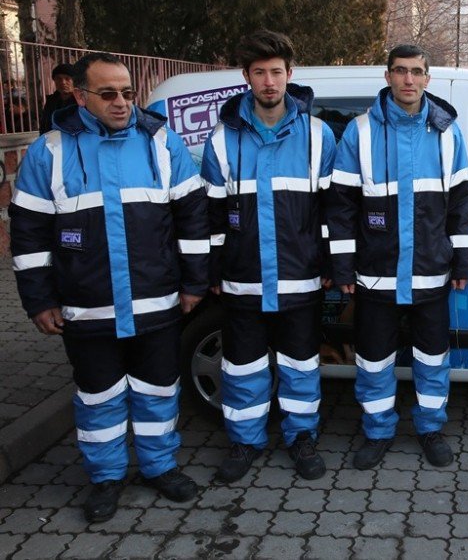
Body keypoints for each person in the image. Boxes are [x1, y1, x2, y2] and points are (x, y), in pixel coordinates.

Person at [9, 52, 209, 522]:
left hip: (156, 303)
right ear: (80, 96)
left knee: (158, 391)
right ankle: (106, 478)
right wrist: (38, 300)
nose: (122, 103)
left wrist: (195, 282)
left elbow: (192, 218)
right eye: (108, 94)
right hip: (87, 308)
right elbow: (29, 232)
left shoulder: (161, 143)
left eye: (127, 92)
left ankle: (159, 467)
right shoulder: (50, 151)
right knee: (99, 396)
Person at [330, 44, 468, 470]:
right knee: (374, 361)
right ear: (388, 76)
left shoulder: (448, 133)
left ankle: (430, 430)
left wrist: (463, 262)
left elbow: (461, 204)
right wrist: (342, 266)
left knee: (432, 359)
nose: (408, 79)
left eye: (416, 72)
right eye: (400, 71)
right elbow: (340, 207)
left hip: (431, 275)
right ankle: (378, 431)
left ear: (428, 78)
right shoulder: (359, 132)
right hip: (376, 277)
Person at [201, 30, 337, 483]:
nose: (268, 81)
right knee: (243, 368)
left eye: (276, 71)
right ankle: (244, 442)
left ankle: (302, 438)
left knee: (301, 366)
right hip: (243, 280)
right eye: (259, 73)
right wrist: (213, 271)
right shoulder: (223, 140)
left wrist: (330, 265)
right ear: (246, 78)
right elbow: (212, 214)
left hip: (301, 280)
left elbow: (332, 209)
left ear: (289, 75)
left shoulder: (318, 136)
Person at [40, 63, 77, 134]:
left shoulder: (82, 101)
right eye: (58, 78)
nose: (63, 82)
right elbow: (44, 125)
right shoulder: (51, 101)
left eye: (67, 78)